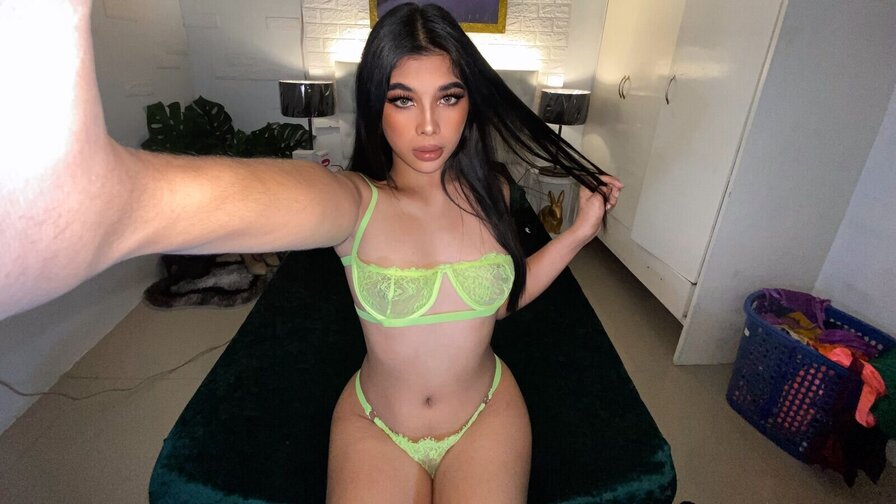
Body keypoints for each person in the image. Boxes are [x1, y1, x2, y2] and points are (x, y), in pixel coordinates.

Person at [1, 1, 621, 502]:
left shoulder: (496, 193)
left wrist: (577, 234)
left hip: (488, 413)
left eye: (449, 96)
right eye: (403, 99)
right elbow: (264, 201)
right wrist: (113, 207)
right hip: (378, 427)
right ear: (376, 105)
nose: (429, 125)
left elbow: (501, 303)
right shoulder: (355, 204)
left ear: (470, 102)